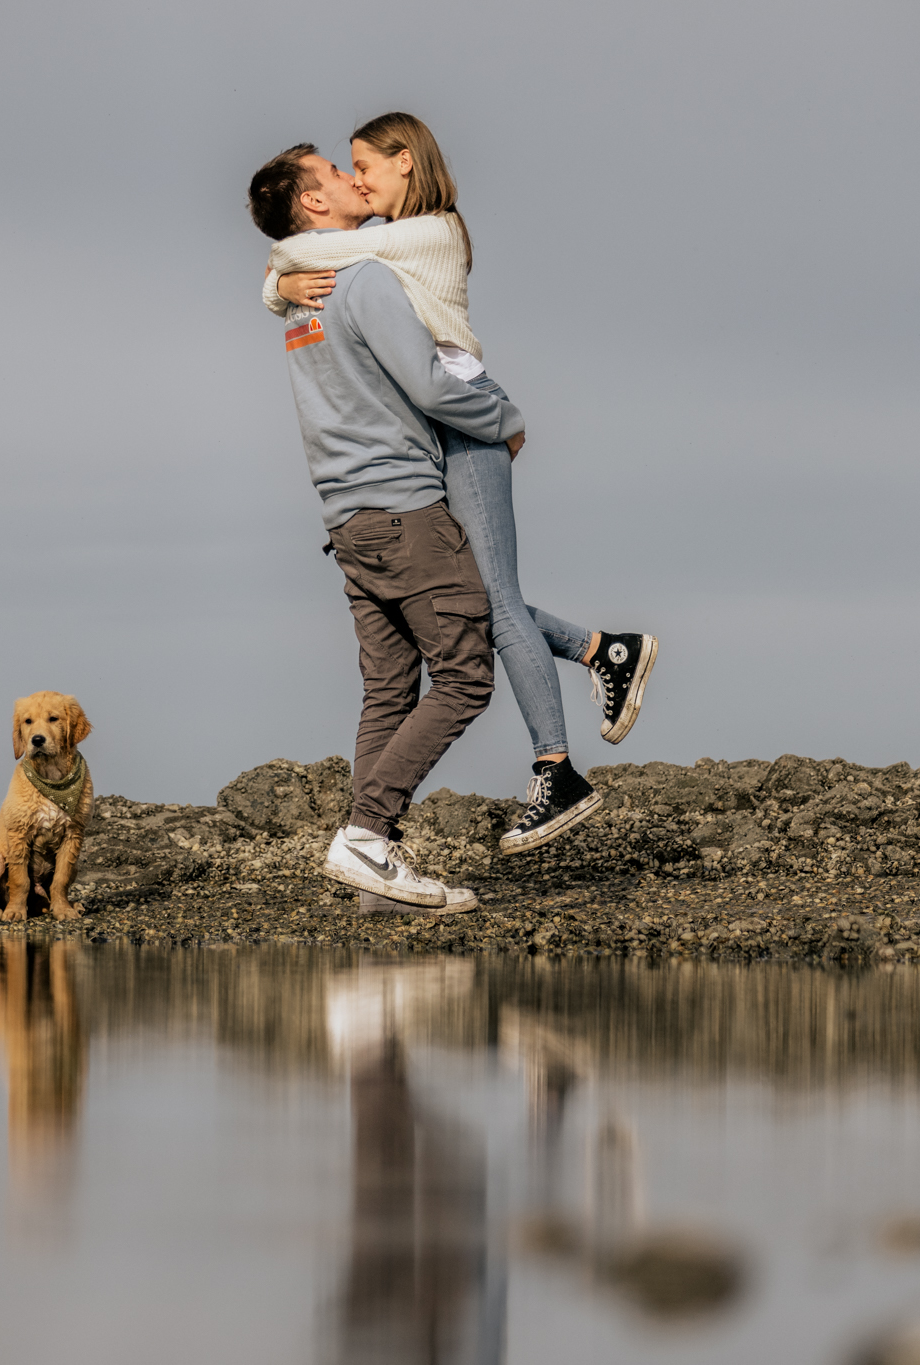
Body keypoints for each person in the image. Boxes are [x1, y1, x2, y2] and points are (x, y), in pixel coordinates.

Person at [251, 118, 656, 854]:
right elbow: (311, 251)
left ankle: (556, 767)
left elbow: (324, 252)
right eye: (344, 172)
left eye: (364, 166)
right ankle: (603, 649)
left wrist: (276, 279)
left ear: (406, 162)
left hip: (468, 413)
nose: (357, 179)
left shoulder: (429, 232)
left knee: (491, 600)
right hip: (439, 426)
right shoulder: (368, 252)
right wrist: (280, 279)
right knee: (471, 593)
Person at [244, 143, 521, 910]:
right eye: (334, 172)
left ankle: (373, 873)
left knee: (389, 691)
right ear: (313, 206)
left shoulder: (302, 297)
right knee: (465, 676)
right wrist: (507, 418)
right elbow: (432, 386)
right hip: (404, 510)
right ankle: (366, 836)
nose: (350, 175)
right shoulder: (361, 280)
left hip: (347, 521)